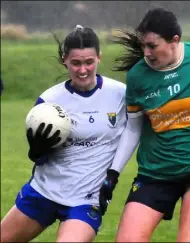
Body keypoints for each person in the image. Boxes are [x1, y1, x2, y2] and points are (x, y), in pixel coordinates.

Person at [99, 8, 190, 242]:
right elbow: (133, 128)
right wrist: (112, 174)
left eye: (152, 46)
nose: (146, 53)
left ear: (175, 40)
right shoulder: (137, 76)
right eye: (143, 46)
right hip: (156, 173)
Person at [0, 25, 127, 242]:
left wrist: (113, 177)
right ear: (64, 60)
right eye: (76, 63)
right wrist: (38, 151)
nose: (83, 69)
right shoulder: (48, 101)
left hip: (86, 200)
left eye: (89, 62)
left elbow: (138, 129)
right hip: (43, 191)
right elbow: (40, 156)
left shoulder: (120, 95)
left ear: (99, 58)